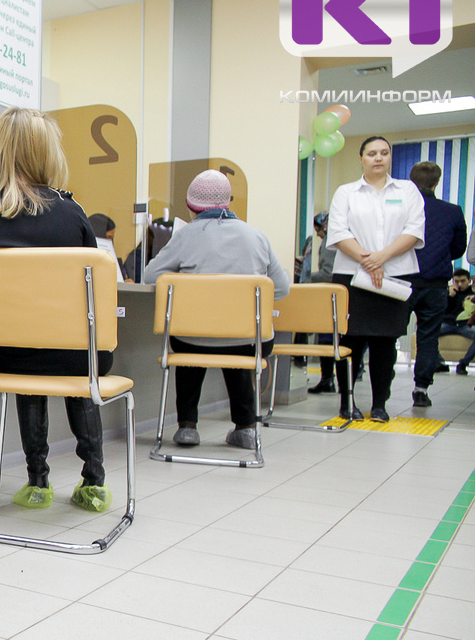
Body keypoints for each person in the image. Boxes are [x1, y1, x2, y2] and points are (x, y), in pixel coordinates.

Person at [0, 107, 113, 513]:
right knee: (79, 353)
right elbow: (92, 290)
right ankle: (93, 481)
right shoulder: (72, 213)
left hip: (11, 359)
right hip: (75, 358)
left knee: (27, 354)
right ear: (47, 152)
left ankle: (37, 480)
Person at [144, 169, 291, 449]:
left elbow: (151, 276)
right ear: (228, 202)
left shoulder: (185, 236)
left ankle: (187, 426)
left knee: (190, 344)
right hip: (249, 343)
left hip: (191, 340)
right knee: (237, 342)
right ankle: (246, 428)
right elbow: (282, 288)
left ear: (190, 206)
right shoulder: (256, 236)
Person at [327, 136, 425, 422]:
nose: (378, 158)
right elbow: (339, 232)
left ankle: (380, 405)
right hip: (351, 275)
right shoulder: (346, 192)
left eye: (384, 152)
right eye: (372, 153)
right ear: (361, 158)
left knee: (385, 343)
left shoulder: (407, 190)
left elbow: (414, 230)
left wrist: (380, 258)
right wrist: (369, 262)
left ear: (390, 157)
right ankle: (347, 402)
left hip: (395, 275)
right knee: (350, 341)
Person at [407, 161, 468, 406]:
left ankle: (382, 391)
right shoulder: (453, 211)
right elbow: (458, 248)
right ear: (437, 182)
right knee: (429, 337)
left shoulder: (401, 208)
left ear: (411, 182)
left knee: (391, 334)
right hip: (436, 284)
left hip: (402, 282)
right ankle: (421, 390)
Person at [306, 212, 340, 394]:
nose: (318, 234)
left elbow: (328, 274)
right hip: (341, 297)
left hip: (331, 298)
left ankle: (327, 379)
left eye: (318, 229)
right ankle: (333, 380)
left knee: (327, 340)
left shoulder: (329, 243)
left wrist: (306, 277)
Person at [440, 268, 475, 373]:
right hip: (448, 323)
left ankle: (463, 364)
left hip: (465, 325)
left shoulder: (472, 294)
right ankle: (439, 363)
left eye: (463, 281)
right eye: (457, 281)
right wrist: (450, 297)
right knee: (426, 333)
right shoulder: (448, 292)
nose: (459, 284)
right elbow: (441, 309)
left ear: (469, 281)